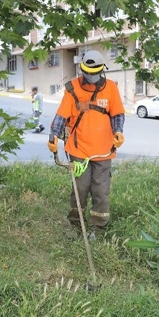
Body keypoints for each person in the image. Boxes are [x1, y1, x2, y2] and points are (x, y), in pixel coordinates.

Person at [47, 50, 125, 238]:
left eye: (94, 73)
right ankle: (75, 225)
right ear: (82, 70)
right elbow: (61, 116)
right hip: (79, 150)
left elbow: (117, 114)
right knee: (80, 188)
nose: (90, 77)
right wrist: (53, 135)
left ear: (102, 70)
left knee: (100, 190)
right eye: (87, 73)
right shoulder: (72, 88)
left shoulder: (111, 88)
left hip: (104, 150)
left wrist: (118, 131)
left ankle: (97, 227)